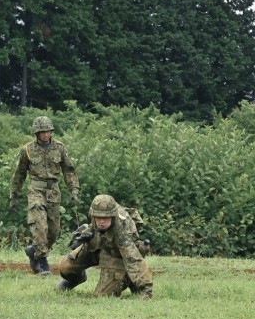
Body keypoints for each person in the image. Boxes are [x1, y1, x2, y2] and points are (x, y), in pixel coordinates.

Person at [9, 115, 79, 275]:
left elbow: (69, 171)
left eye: (48, 131)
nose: (46, 134)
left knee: (54, 231)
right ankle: (42, 262)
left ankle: (34, 251)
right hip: (36, 190)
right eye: (43, 132)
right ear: (37, 133)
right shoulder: (27, 150)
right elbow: (19, 174)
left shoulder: (60, 148)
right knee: (40, 225)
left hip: (54, 191)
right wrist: (14, 196)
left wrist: (74, 191)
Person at [55, 194, 153, 298]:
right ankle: (76, 280)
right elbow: (92, 226)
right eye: (98, 217)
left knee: (102, 296)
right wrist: (84, 235)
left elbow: (133, 259)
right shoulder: (96, 212)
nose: (101, 221)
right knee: (65, 266)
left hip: (116, 253)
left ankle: (127, 278)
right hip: (98, 245)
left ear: (112, 215)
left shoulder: (122, 230)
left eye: (105, 218)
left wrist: (146, 289)